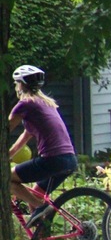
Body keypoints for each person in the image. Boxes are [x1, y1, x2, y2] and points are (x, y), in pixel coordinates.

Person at [8, 65, 78, 227]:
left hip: (52, 160)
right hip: (69, 160)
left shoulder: (25, 104)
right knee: (36, 194)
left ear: (20, 84)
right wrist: (7, 156)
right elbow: (24, 137)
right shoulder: (45, 104)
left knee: (6, 179)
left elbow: (5, 129)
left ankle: (41, 207)